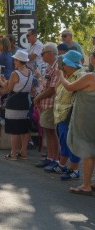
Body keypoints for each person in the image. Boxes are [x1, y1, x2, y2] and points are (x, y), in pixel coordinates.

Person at [58, 51, 95, 195]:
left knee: (87, 151)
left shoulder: (90, 77)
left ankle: (86, 185)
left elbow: (69, 87)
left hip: (87, 118)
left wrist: (60, 75)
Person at [52, 50, 84, 183]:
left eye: (64, 63)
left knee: (72, 142)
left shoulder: (79, 75)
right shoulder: (67, 75)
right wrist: (62, 75)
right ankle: (63, 165)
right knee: (64, 140)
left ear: (70, 64)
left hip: (71, 116)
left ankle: (75, 169)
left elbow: (70, 88)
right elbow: (56, 88)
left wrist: (62, 76)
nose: (62, 65)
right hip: (61, 116)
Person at [0, 50, 33, 160]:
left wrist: (0, 81)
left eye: (15, 60)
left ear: (18, 61)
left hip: (14, 102)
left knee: (14, 130)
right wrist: (6, 81)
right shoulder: (30, 72)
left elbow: (8, 89)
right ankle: (24, 152)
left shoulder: (15, 73)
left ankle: (13, 153)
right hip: (24, 101)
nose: (14, 62)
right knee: (24, 128)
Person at [33, 43, 61, 170]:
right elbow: (45, 85)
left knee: (51, 132)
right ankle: (50, 158)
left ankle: (55, 159)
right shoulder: (50, 67)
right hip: (45, 104)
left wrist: (38, 98)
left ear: (50, 53)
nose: (41, 55)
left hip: (51, 104)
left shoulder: (57, 67)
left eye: (43, 53)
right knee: (48, 132)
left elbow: (52, 89)